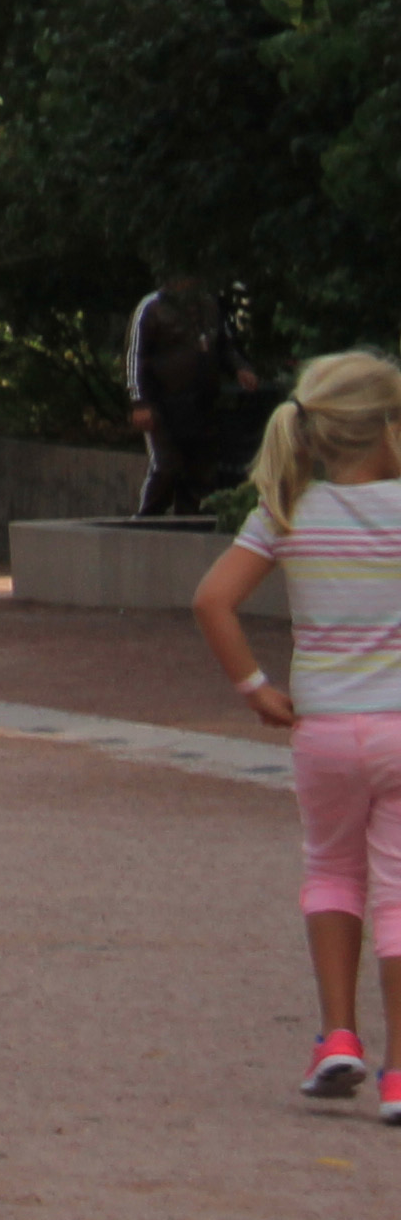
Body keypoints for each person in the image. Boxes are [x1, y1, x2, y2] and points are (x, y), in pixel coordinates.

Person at [190, 349, 401, 1113]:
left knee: (333, 875)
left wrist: (254, 687)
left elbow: (214, 600)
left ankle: (338, 1036)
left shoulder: (286, 510)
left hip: (322, 730)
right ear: (385, 428)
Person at [137, 271, 235, 519]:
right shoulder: (152, 308)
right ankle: (148, 517)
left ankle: (189, 519)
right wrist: (139, 401)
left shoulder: (209, 306)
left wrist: (241, 367)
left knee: (201, 471)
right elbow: (135, 358)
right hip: (163, 404)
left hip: (201, 403)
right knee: (166, 468)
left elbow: (224, 344)